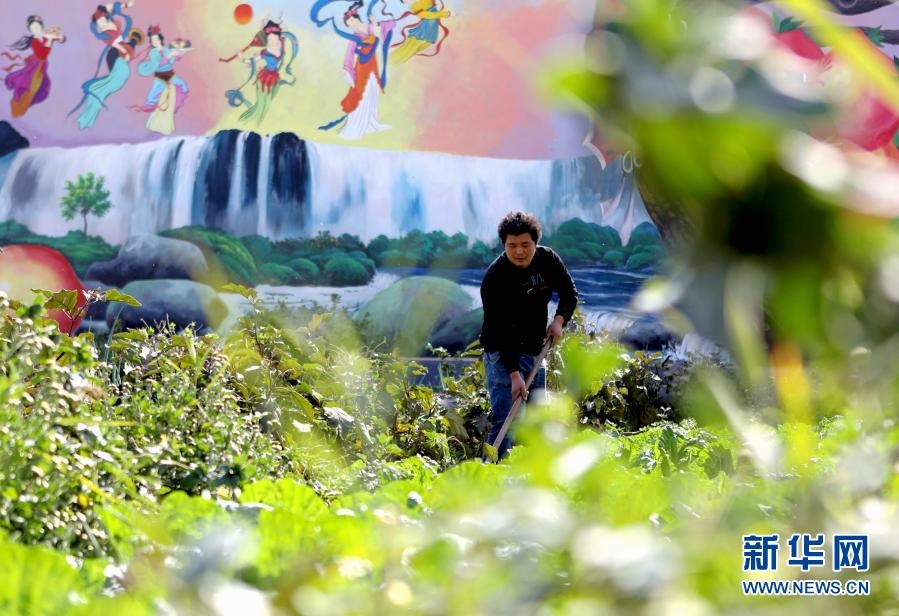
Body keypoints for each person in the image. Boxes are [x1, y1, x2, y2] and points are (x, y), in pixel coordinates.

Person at [480, 211, 578, 458]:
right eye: (512, 246)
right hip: (502, 354)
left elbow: (569, 293)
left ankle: (528, 475)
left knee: (535, 420)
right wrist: (514, 375)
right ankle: (491, 473)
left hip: (535, 350)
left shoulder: (547, 260)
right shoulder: (495, 278)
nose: (519, 252)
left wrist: (558, 321)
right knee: (508, 421)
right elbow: (499, 330)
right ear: (504, 245)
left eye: (525, 245)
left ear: (535, 242)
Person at [3, 15, 66, 117]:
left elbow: (62, 39)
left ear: (41, 26)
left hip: (41, 66)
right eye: (32, 28)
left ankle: (21, 106)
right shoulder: (34, 41)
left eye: (36, 27)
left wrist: (59, 36)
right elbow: (43, 54)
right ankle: (17, 107)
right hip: (35, 65)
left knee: (37, 87)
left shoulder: (46, 35)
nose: (35, 30)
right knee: (28, 84)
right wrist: (50, 39)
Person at [135, 25, 191, 135]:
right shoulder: (153, 52)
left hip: (171, 75)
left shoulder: (166, 49)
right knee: (153, 95)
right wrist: (169, 56)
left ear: (160, 39)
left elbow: (171, 61)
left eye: (156, 39)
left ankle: (174, 109)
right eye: (153, 40)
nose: (155, 42)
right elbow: (159, 64)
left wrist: (178, 54)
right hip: (160, 77)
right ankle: (151, 108)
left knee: (183, 86)